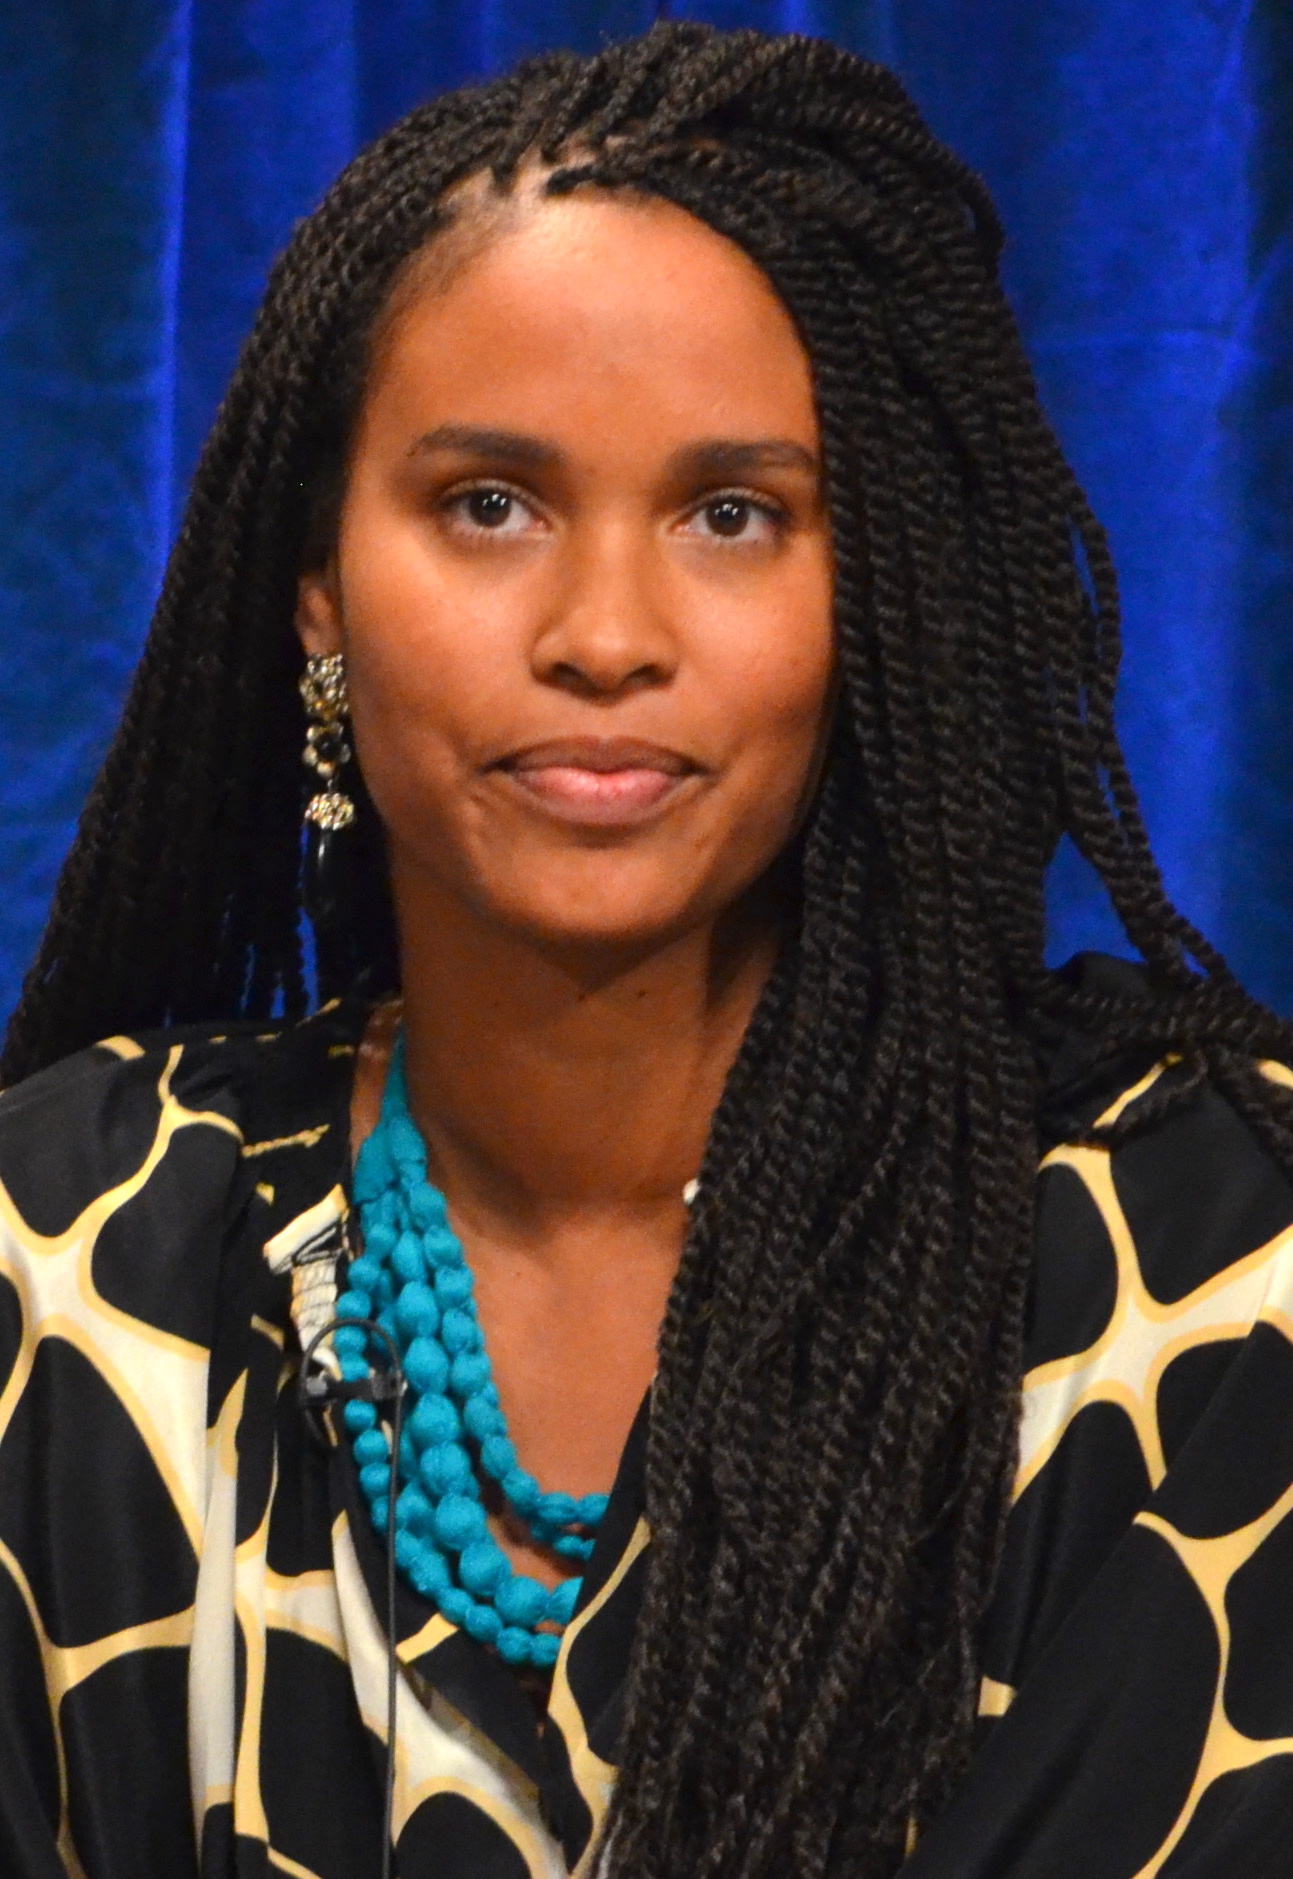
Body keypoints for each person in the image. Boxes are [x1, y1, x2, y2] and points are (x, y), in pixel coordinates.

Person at [3, 21, 1293, 1879]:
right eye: (488, 505)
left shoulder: (1200, 1275)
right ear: (317, 594)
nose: (606, 631)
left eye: (731, 515)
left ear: (886, 597)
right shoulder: (62, 1259)